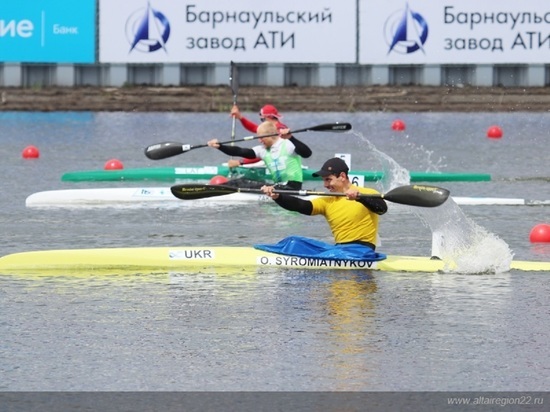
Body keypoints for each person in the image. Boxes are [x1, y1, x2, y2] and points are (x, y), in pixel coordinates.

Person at [260, 157, 388, 251]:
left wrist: (360, 198)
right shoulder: (328, 200)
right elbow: (301, 205)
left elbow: (382, 209)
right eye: (324, 180)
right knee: (293, 241)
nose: (325, 185)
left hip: (362, 251)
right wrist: (278, 196)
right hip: (340, 251)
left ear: (342, 176)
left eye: (328, 180)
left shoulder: (367, 193)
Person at [207, 121, 312, 190]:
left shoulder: (288, 144)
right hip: (277, 187)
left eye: (261, 137)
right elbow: (239, 151)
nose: (259, 140)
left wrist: (291, 137)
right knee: (239, 182)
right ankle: (215, 189)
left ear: (271, 134)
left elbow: (307, 154)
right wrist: (220, 146)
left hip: (292, 187)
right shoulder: (263, 150)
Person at [227, 104, 289, 168]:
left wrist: (240, 162)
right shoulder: (271, 129)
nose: (262, 122)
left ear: (269, 118)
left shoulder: (280, 130)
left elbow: (263, 153)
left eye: (262, 120)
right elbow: (254, 128)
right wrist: (240, 117)